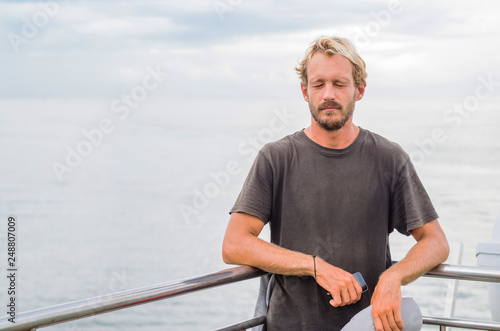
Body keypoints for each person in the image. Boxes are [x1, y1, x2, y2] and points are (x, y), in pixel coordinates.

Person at [222, 36, 449, 331]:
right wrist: (315, 267)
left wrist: (393, 277)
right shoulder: (276, 158)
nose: (328, 94)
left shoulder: (389, 159)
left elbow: (436, 242)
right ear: (305, 91)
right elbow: (234, 244)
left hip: (367, 326)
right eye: (318, 84)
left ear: (360, 90)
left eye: (339, 84)